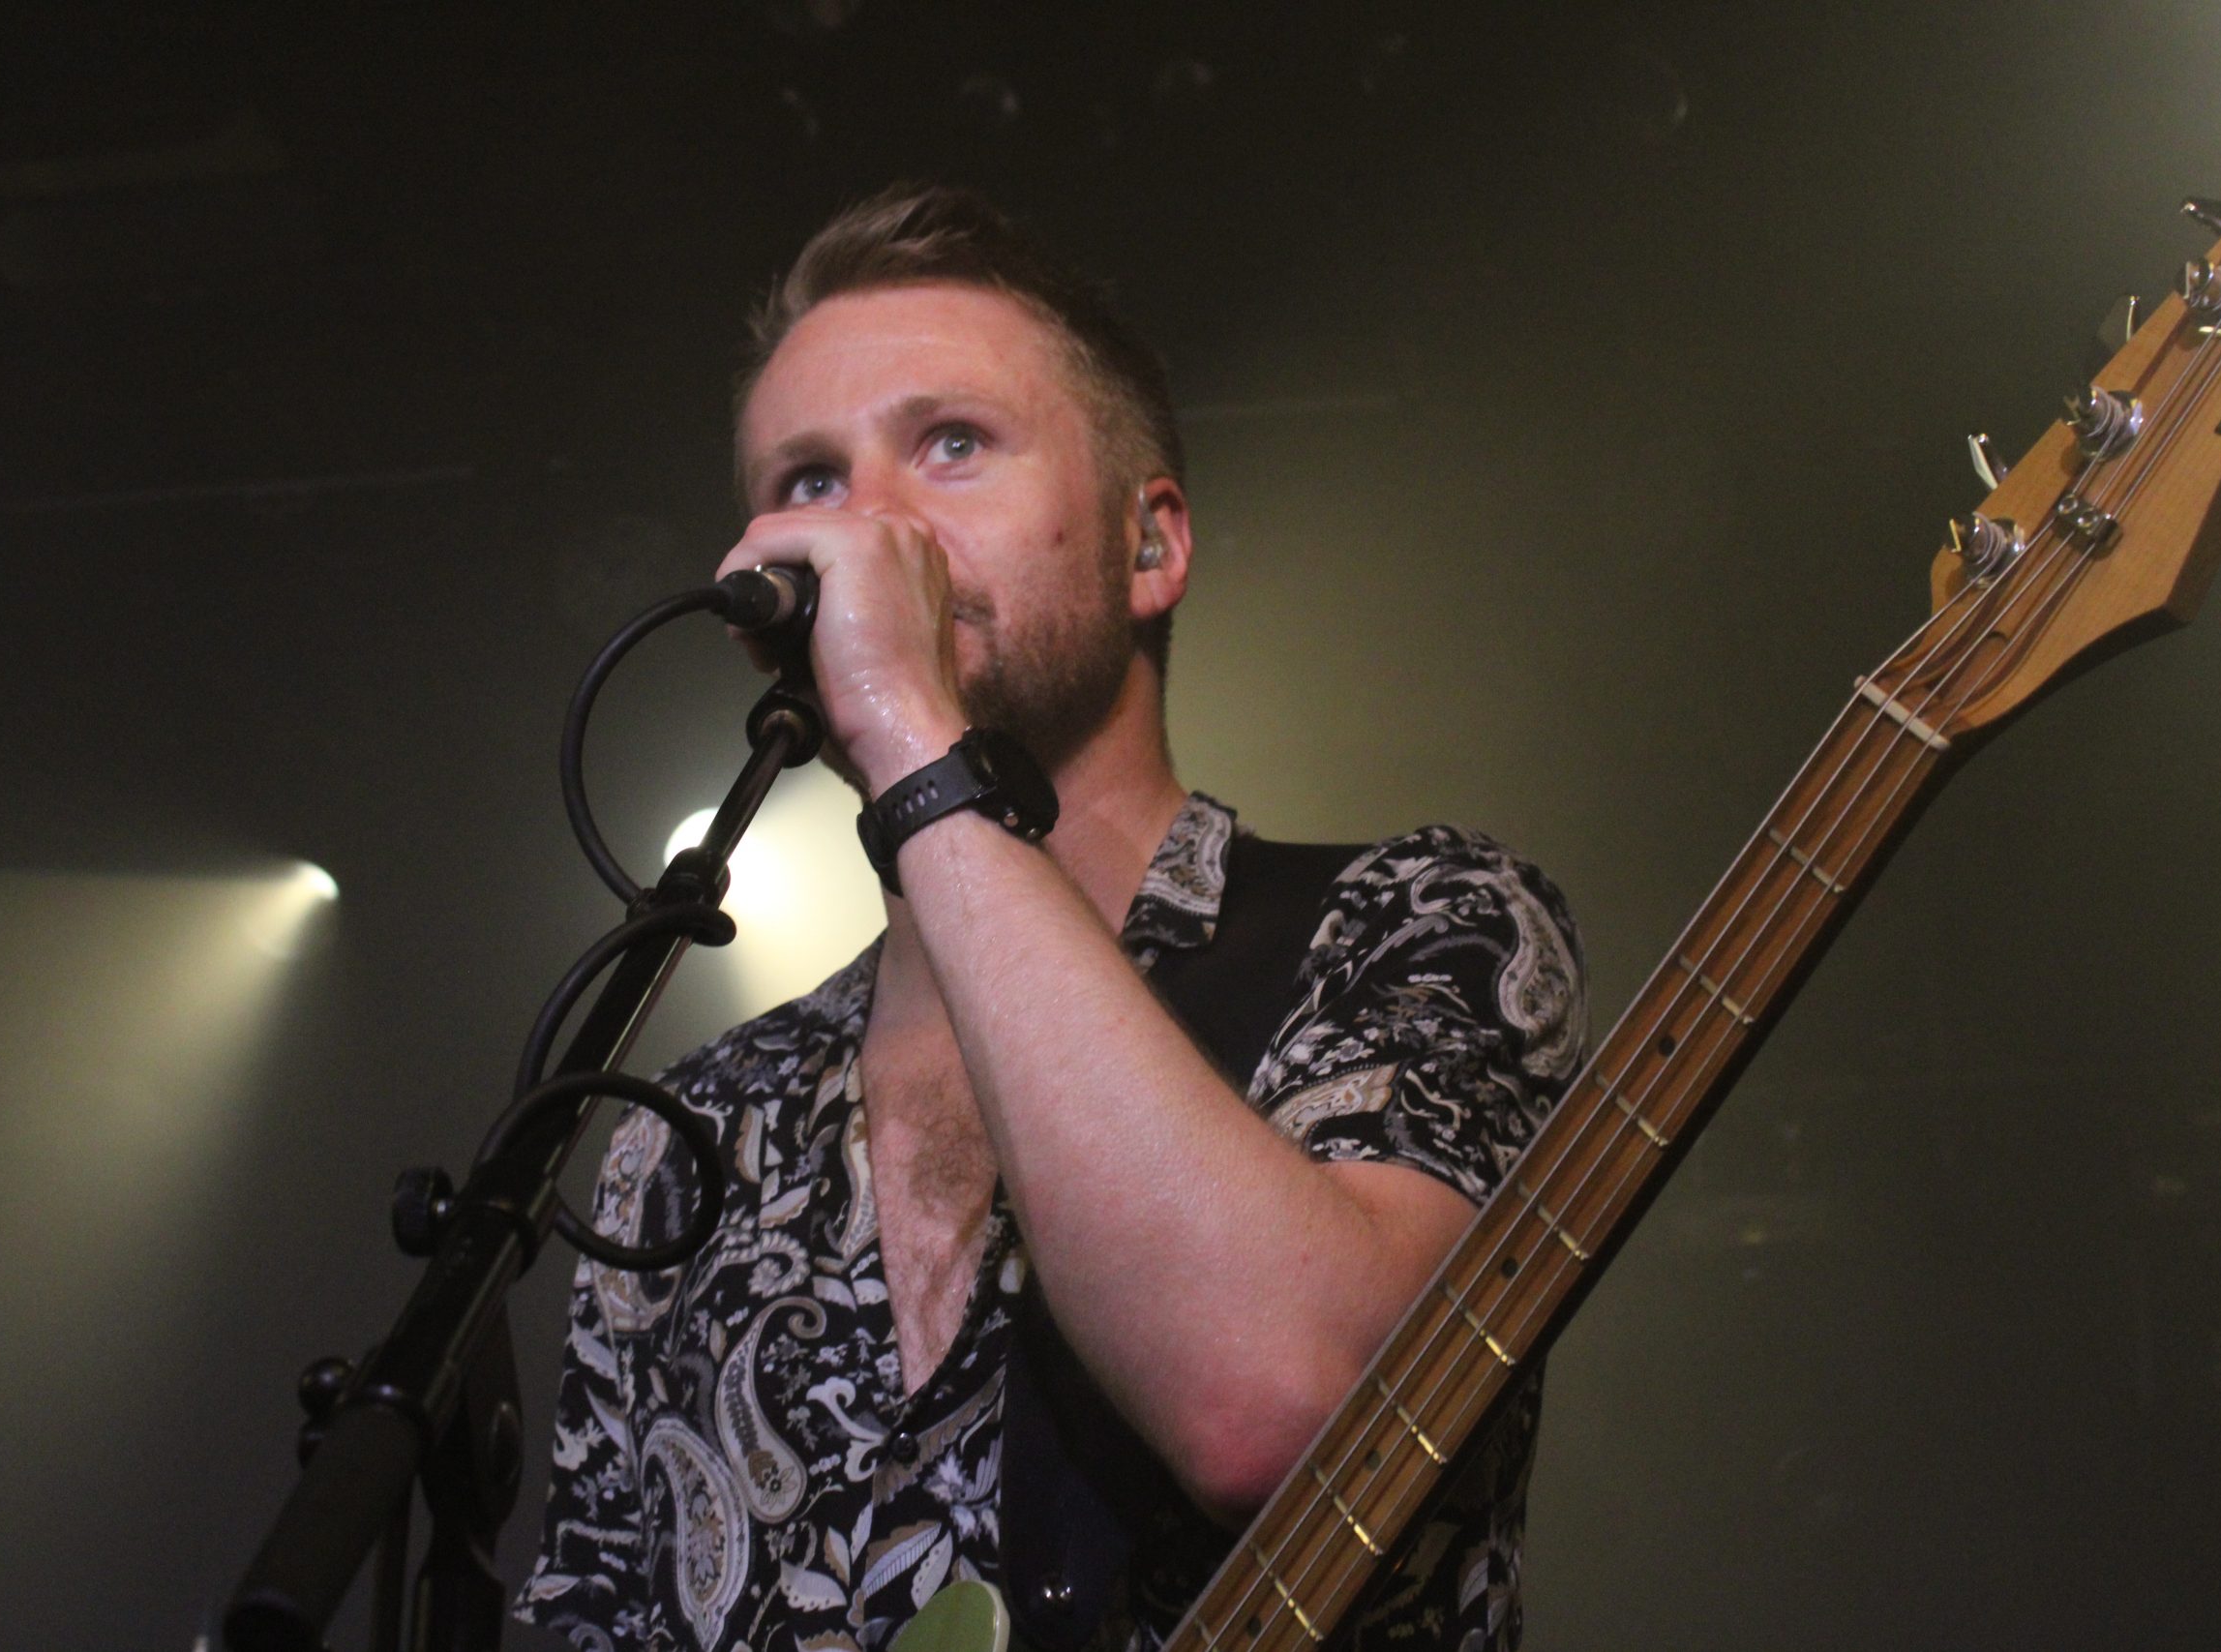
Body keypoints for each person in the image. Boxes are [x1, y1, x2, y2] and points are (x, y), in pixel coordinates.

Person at [516, 184, 1585, 1652]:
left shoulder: (1417, 925)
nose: (870, 522)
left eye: (953, 443)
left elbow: (1280, 1413)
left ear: (1152, 546)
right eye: (810, 480)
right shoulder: (687, 1132)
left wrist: (912, 730)